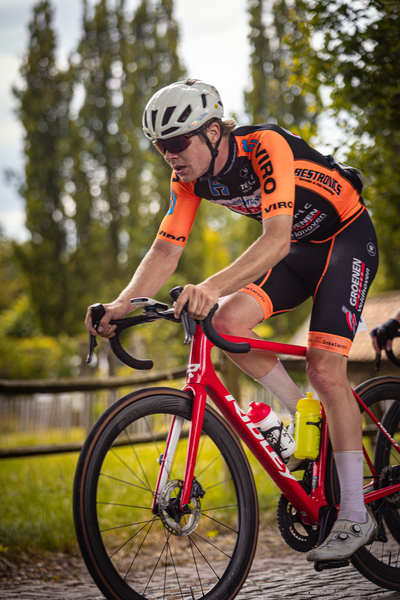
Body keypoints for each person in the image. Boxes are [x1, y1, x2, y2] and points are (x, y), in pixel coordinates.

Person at [85, 79, 379, 562]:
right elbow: (165, 249)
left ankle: (354, 511)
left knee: (326, 367)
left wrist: (211, 285)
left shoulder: (266, 147)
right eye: (161, 147)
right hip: (302, 252)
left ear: (214, 131)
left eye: (178, 142)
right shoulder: (186, 180)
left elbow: (276, 239)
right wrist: (123, 304)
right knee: (225, 323)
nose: (170, 155)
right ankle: (300, 420)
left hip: (345, 238)